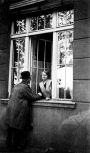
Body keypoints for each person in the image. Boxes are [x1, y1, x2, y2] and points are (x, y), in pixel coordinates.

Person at [5, 71, 42, 152]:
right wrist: (39, 95)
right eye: (30, 78)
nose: (30, 79)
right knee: (18, 130)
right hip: (18, 112)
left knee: (10, 130)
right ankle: (16, 148)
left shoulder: (16, 86)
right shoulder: (25, 87)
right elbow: (32, 97)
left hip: (11, 111)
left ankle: (8, 146)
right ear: (28, 79)